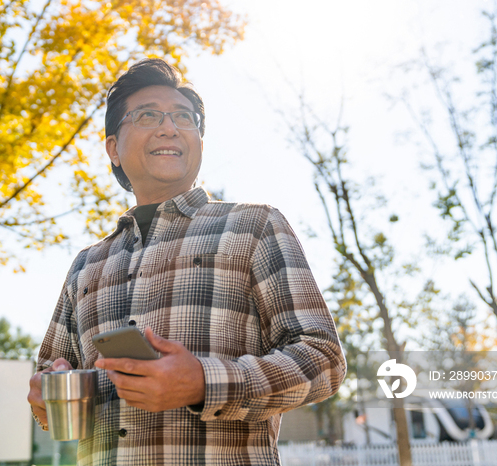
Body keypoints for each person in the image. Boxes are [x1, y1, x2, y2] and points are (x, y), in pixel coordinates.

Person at [27, 58, 346, 465]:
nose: (169, 127)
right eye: (147, 115)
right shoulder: (86, 265)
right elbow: (49, 383)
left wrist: (203, 382)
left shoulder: (255, 226)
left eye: (184, 117)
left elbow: (323, 359)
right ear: (113, 148)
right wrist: (46, 394)